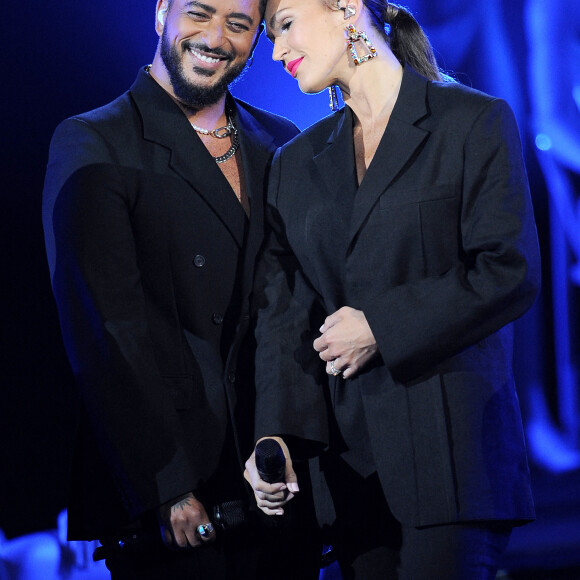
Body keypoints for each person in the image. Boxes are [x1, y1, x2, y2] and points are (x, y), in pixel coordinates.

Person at [244, 0, 542, 578]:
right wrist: (276, 435)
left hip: (453, 463)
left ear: (347, 9)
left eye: (283, 27)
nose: (275, 51)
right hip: (350, 476)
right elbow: (285, 317)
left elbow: (507, 270)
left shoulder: (469, 121)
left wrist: (382, 325)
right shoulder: (295, 164)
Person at [41, 0, 311, 578]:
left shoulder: (282, 140)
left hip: (276, 473)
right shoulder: (95, 141)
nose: (216, 37)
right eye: (199, 13)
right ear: (161, 11)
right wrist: (163, 484)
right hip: (179, 489)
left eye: (238, 24)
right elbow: (105, 330)